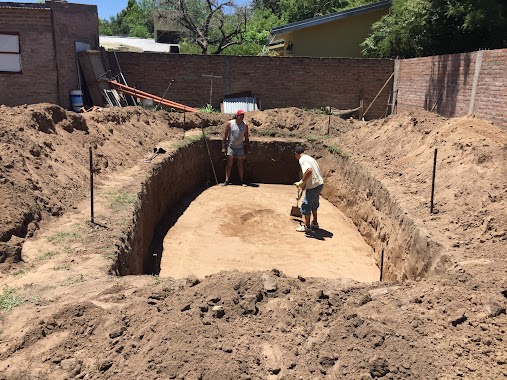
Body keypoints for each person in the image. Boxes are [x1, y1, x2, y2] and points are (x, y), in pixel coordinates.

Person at [294, 145, 324, 232]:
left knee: (306, 205)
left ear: (296, 154)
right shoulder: (309, 158)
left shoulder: (302, 160)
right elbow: (308, 175)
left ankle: (307, 226)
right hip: (319, 184)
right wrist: (301, 192)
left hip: (313, 186)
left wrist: (301, 182)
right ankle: (314, 223)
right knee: (314, 204)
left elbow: (309, 171)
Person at [221, 109, 250, 186]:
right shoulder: (230, 124)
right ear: (237, 116)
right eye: (241, 115)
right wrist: (223, 147)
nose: (242, 117)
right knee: (229, 163)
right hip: (231, 147)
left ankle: (241, 181)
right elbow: (225, 136)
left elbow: (246, 137)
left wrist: (247, 147)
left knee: (240, 164)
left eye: (243, 115)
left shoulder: (245, 125)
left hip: (240, 147)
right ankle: (227, 180)